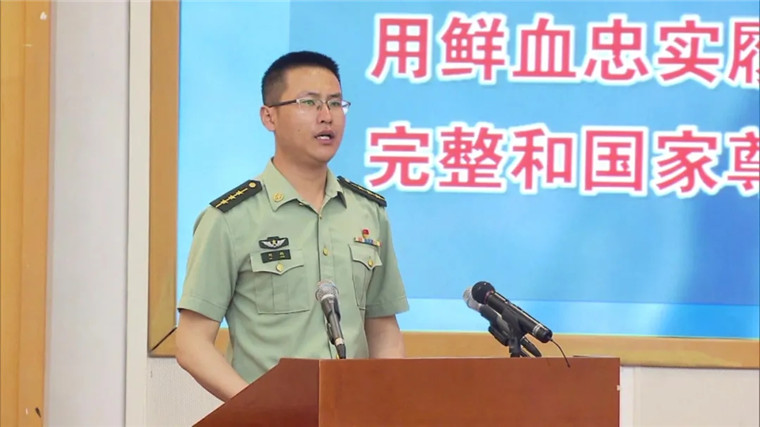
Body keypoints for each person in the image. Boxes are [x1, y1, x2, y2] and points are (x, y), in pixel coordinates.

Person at [175, 50, 409, 402]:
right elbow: (192, 343)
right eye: (308, 102)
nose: (326, 116)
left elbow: (383, 329)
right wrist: (257, 410)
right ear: (269, 116)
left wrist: (386, 407)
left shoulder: (367, 212)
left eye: (335, 103)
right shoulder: (230, 219)